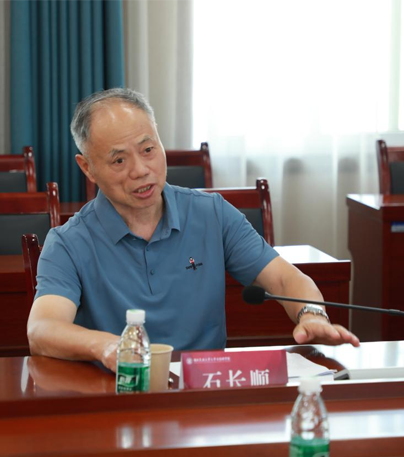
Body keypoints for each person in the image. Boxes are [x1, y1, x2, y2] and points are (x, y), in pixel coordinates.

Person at [27, 88, 359, 372]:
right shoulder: (68, 243)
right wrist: (108, 347)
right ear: (87, 168)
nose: (141, 170)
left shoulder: (211, 214)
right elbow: (43, 329)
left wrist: (312, 314)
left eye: (148, 150)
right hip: (118, 393)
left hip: (205, 392)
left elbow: (285, 279)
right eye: (119, 161)